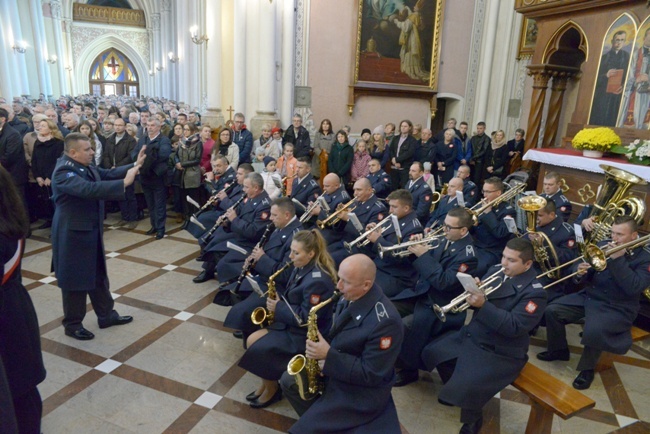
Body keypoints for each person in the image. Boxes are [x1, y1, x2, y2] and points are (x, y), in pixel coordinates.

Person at [423, 238, 547, 434]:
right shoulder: (497, 270)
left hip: (501, 350)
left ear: (528, 264)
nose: (504, 263)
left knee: (470, 383)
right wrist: (475, 291)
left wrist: (483, 304)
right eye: (504, 256)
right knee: (434, 352)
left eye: (512, 260)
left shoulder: (535, 293)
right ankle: (456, 391)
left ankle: (472, 417)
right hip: (476, 334)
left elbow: (515, 327)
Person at [280, 254, 404, 433]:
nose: (338, 286)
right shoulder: (350, 295)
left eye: (345, 281)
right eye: (339, 278)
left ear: (366, 285)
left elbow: (371, 373)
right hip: (338, 372)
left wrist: (328, 356)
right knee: (288, 381)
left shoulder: (386, 322)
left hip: (360, 393)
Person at [51, 133, 146, 341]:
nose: (93, 152)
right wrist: (124, 184)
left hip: (88, 230)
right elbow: (88, 189)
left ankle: (106, 315)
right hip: (72, 235)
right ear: (73, 152)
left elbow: (104, 174)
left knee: (97, 275)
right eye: (88, 149)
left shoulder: (84, 165)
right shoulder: (63, 171)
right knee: (75, 281)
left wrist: (133, 165)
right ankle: (73, 324)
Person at [538, 216, 650, 390]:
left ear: (634, 235)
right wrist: (579, 273)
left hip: (617, 305)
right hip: (591, 296)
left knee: (595, 329)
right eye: (613, 232)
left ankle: (587, 369)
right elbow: (587, 269)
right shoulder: (605, 243)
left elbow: (634, 287)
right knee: (553, 310)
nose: (614, 238)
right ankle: (559, 349)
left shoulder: (644, 257)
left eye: (620, 234)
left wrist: (618, 259)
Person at [238, 230, 337, 409]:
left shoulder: (318, 280)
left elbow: (308, 318)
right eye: (291, 251)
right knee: (252, 339)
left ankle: (272, 390)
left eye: (295, 253)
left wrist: (278, 308)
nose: (290, 256)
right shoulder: (301, 266)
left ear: (311, 253)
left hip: (304, 335)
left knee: (259, 347)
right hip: (290, 324)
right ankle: (268, 384)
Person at [393, 207, 479, 387]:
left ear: (463, 230)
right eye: (444, 225)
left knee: (405, 326)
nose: (443, 229)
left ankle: (408, 369)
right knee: (389, 311)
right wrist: (414, 249)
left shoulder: (468, 256)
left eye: (449, 227)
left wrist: (423, 255)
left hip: (441, 304)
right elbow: (424, 266)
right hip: (423, 294)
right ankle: (392, 358)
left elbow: (444, 282)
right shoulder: (445, 237)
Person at [0, 165, 46, 434]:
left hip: (6, 315)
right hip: (16, 308)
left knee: (16, 392)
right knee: (23, 389)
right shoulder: (10, 220)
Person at [222, 197, 303, 330]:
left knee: (240, 311)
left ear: (287, 215)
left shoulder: (296, 237)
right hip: (265, 275)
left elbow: (286, 274)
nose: (270, 218)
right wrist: (254, 262)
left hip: (278, 287)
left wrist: (262, 258)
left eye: (274, 215)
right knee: (228, 291)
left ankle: (251, 329)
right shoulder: (279, 226)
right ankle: (248, 325)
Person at [194, 172, 272, 283]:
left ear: (256, 188)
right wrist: (226, 222)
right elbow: (238, 211)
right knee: (214, 243)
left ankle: (230, 280)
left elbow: (253, 232)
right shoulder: (249, 197)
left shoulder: (265, 206)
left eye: (246, 187)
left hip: (249, 242)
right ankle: (209, 271)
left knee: (221, 256)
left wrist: (234, 220)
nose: (243, 190)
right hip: (240, 233)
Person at [367, 189, 423, 299]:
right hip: (381, 266)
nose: (390, 210)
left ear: (406, 208)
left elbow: (401, 257)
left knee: (365, 291)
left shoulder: (414, 228)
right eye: (390, 206)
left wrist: (378, 240)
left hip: (397, 275)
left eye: (394, 207)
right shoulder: (393, 218)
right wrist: (371, 233)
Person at [524, 200, 577, 302]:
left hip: (548, 276)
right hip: (529, 267)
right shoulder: (534, 225)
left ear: (552, 215)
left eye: (539, 215)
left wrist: (544, 244)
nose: (535, 219)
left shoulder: (567, 232)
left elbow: (566, 259)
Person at [134, 118, 173, 239]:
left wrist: (146, 159)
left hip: (157, 175)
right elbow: (135, 153)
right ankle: (154, 225)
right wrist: (139, 158)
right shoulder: (143, 139)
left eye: (152, 125)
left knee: (159, 204)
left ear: (158, 127)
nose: (149, 127)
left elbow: (163, 155)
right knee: (150, 204)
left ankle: (161, 228)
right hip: (145, 175)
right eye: (148, 125)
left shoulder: (164, 140)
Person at [471, 177, 516, 276]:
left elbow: (500, 233)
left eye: (488, 192)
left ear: (498, 193)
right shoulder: (481, 205)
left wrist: (488, 213)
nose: (484, 195)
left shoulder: (508, 211)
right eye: (484, 191)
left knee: (475, 270)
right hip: (476, 245)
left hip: (492, 250)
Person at [103, 117, 138, 229]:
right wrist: (109, 167)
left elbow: (130, 156)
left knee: (129, 195)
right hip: (113, 171)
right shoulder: (110, 139)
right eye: (116, 125)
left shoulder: (130, 140)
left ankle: (133, 218)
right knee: (120, 195)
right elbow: (106, 155)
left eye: (120, 125)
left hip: (125, 170)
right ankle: (124, 217)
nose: (117, 127)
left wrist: (117, 167)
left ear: (124, 127)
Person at [31, 119, 65, 229]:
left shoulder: (58, 143)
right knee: (45, 200)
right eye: (39, 126)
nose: (40, 128)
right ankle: (49, 220)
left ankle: (58, 224)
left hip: (53, 176)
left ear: (50, 129)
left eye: (43, 126)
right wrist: (38, 176)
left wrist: (50, 177)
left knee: (54, 201)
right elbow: (34, 160)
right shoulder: (38, 142)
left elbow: (57, 161)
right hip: (41, 176)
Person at [619, 28, 650, 128]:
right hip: (636, 93)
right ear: (644, 37)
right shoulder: (635, 54)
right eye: (649, 35)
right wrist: (636, 80)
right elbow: (628, 75)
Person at [0, 108, 29, 207]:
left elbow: (10, 156)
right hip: (4, 174)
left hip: (13, 175)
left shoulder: (12, 134)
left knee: (17, 203)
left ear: (2, 119)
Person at [389, 119, 417, 189]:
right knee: (393, 186)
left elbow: (409, 153)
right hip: (394, 166)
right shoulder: (395, 138)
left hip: (405, 167)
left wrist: (397, 160)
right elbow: (391, 150)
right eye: (402, 126)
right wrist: (393, 160)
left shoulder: (412, 140)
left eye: (405, 126)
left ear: (409, 127)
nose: (403, 128)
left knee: (404, 187)